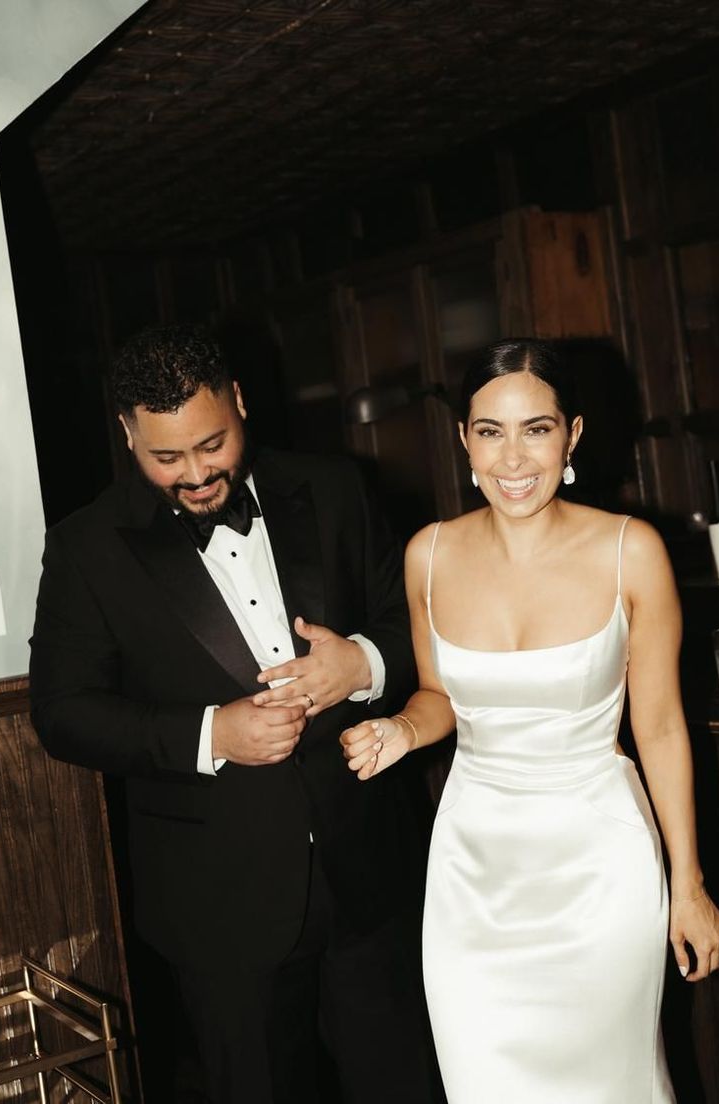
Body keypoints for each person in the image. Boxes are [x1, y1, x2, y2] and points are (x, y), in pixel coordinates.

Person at [30, 323, 442, 1104]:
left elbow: (416, 622)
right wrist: (209, 733)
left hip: (370, 876)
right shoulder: (86, 548)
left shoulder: (334, 486)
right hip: (218, 903)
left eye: (211, 444)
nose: (194, 474)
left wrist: (363, 662)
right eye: (165, 457)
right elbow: (62, 713)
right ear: (127, 433)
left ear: (241, 404)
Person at [341, 338, 719, 1103]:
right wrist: (402, 731)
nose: (513, 458)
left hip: (599, 868)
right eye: (490, 431)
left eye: (536, 429)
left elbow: (661, 727)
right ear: (464, 441)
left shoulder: (630, 551)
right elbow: (439, 697)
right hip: (471, 878)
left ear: (572, 436)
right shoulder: (430, 556)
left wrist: (689, 883)